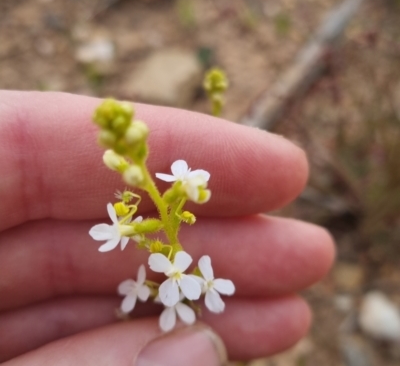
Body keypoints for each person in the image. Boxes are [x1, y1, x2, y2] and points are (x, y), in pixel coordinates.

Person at [0, 91, 334, 365]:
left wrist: (176, 206)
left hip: (181, 266)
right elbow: (161, 237)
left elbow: (170, 231)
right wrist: (153, 228)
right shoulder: (149, 213)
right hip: (171, 275)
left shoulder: (169, 200)